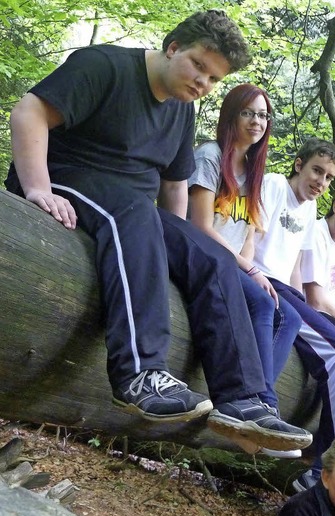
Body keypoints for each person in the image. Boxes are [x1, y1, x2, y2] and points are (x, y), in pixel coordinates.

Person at [5, 11, 310, 452]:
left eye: (213, 79)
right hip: (67, 175)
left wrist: (186, 253)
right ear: (172, 48)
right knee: (136, 212)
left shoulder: (182, 111)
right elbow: (30, 111)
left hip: (132, 209)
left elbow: (173, 188)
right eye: (198, 66)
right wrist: (36, 188)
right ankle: (140, 374)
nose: (202, 82)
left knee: (213, 256)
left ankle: (243, 398)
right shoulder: (104, 66)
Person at [188, 84, 308, 457]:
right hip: (204, 254)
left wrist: (249, 263)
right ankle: (260, 401)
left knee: (288, 315)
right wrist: (250, 269)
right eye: (249, 113)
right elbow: (200, 225)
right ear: (231, 115)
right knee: (260, 300)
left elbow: (248, 236)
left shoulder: (254, 172)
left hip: (235, 260)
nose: (257, 121)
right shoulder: (210, 157)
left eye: (263, 115)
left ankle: (262, 409)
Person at [252, 139, 335, 490]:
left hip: (288, 291)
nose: (321, 182)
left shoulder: (308, 209)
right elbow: (252, 236)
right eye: (317, 172)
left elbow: (294, 268)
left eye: (328, 177)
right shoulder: (274, 186)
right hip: (262, 281)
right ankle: (330, 469)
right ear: (298, 165)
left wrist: (304, 306)